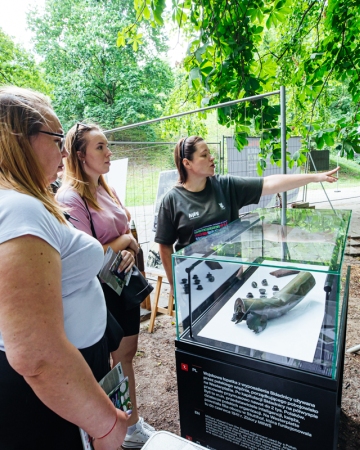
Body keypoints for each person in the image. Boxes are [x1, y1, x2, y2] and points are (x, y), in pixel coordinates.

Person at [0, 86, 129, 449]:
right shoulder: (19, 211)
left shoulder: (22, 203)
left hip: (68, 378)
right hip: (49, 395)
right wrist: (104, 424)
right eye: (56, 139)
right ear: (18, 139)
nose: (63, 151)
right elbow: (36, 355)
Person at [56, 123, 155, 449]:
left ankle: (131, 425)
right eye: (100, 147)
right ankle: (109, 430)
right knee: (104, 365)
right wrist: (125, 240)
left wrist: (129, 247)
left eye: (107, 145)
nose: (109, 151)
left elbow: (122, 233)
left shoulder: (104, 188)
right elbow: (86, 257)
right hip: (98, 294)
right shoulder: (71, 198)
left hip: (120, 287)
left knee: (126, 355)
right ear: (80, 155)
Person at [155, 135, 340, 294]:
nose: (212, 158)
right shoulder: (171, 200)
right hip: (195, 281)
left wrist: (316, 177)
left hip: (231, 275)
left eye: (210, 153)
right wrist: (175, 284)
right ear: (187, 163)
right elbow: (164, 246)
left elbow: (269, 183)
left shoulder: (226, 186)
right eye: (204, 155)